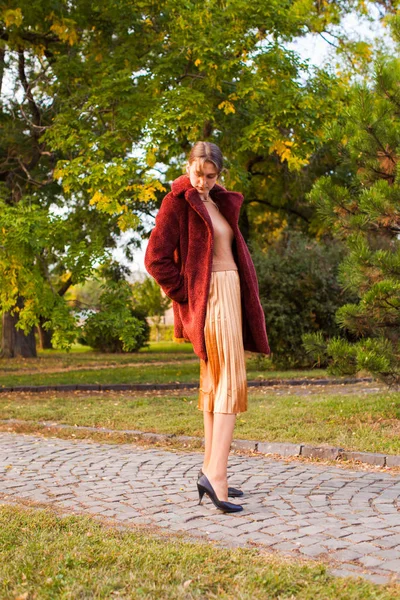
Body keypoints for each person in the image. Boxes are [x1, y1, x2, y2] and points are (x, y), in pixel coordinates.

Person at [144, 141, 270, 513]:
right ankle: (217, 476)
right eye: (197, 173)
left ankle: (211, 469)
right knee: (229, 382)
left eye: (210, 175)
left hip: (230, 293)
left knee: (216, 384)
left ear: (219, 173)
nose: (201, 181)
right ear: (188, 167)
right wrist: (188, 293)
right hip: (211, 298)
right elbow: (155, 259)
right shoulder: (177, 202)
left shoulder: (217, 200)